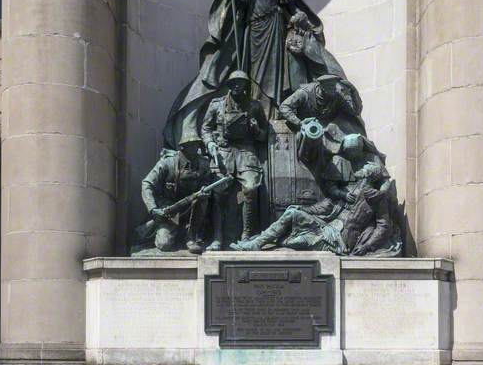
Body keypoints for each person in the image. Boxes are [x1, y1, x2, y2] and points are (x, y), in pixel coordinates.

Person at [163, 0, 348, 149]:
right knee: (251, 77)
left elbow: (294, 8)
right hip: (252, 32)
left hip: (275, 33)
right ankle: (255, 114)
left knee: (276, 77)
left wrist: (299, 21)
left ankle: (275, 116)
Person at [231, 162, 396, 256]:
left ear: (370, 175)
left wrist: (367, 246)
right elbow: (325, 206)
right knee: (292, 213)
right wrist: (302, 208)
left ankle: (260, 243)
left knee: (290, 242)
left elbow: (384, 226)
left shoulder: (376, 198)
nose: (361, 171)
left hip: (339, 239)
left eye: (366, 169)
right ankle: (256, 244)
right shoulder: (349, 189)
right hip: (325, 226)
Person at [201, 70, 267, 249]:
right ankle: (217, 237)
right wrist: (210, 144)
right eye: (234, 82)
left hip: (246, 152)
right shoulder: (217, 105)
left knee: (251, 187)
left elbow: (264, 135)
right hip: (223, 152)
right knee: (218, 191)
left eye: (241, 82)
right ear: (229, 85)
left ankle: (247, 233)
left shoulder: (255, 106)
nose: (238, 85)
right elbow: (205, 128)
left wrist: (256, 130)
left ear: (246, 85)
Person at [136, 137, 213, 254]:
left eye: (197, 144)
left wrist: (205, 189)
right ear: (182, 147)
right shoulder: (167, 163)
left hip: (191, 208)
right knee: (164, 245)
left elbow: (207, 181)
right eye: (192, 145)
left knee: (202, 200)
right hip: (169, 210)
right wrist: (153, 208)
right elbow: (147, 184)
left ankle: (191, 237)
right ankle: (156, 231)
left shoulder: (203, 164)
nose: (196, 148)